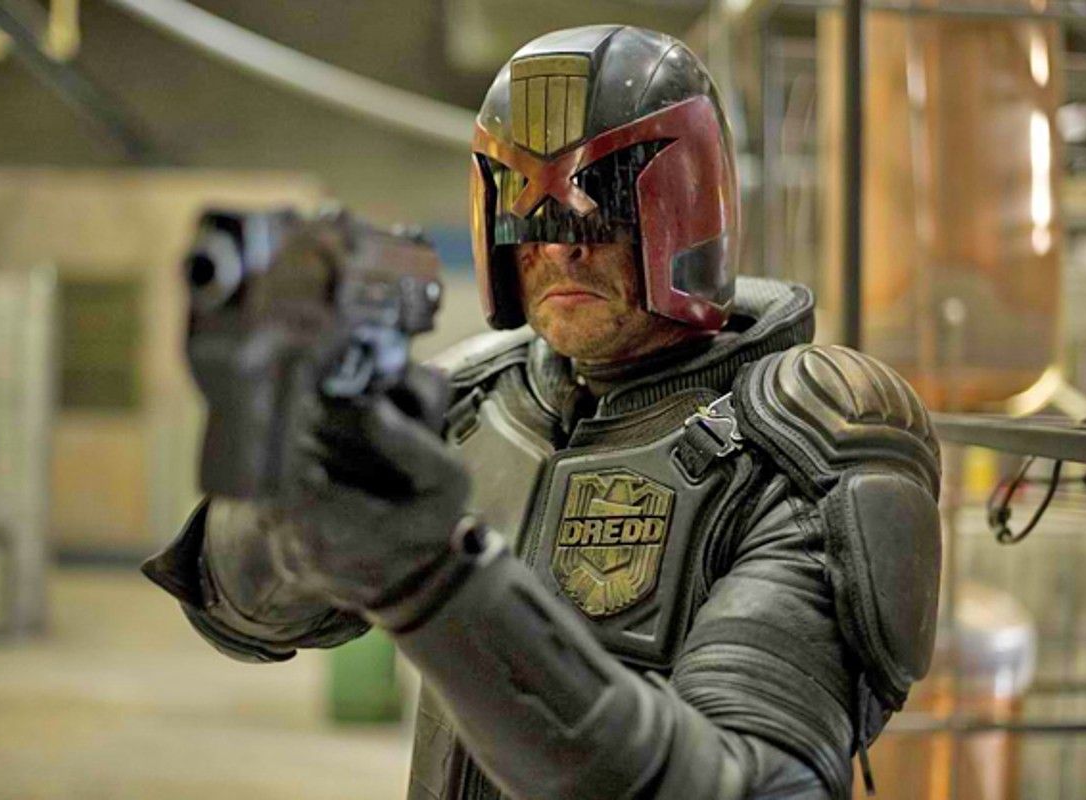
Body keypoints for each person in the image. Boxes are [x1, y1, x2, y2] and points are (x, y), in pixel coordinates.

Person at [143, 25, 942, 800]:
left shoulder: (808, 438)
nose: (560, 248)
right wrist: (294, 494)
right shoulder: (473, 399)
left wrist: (434, 584)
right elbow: (235, 614)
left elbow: (755, 782)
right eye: (529, 212)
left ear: (684, 209)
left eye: (602, 206)